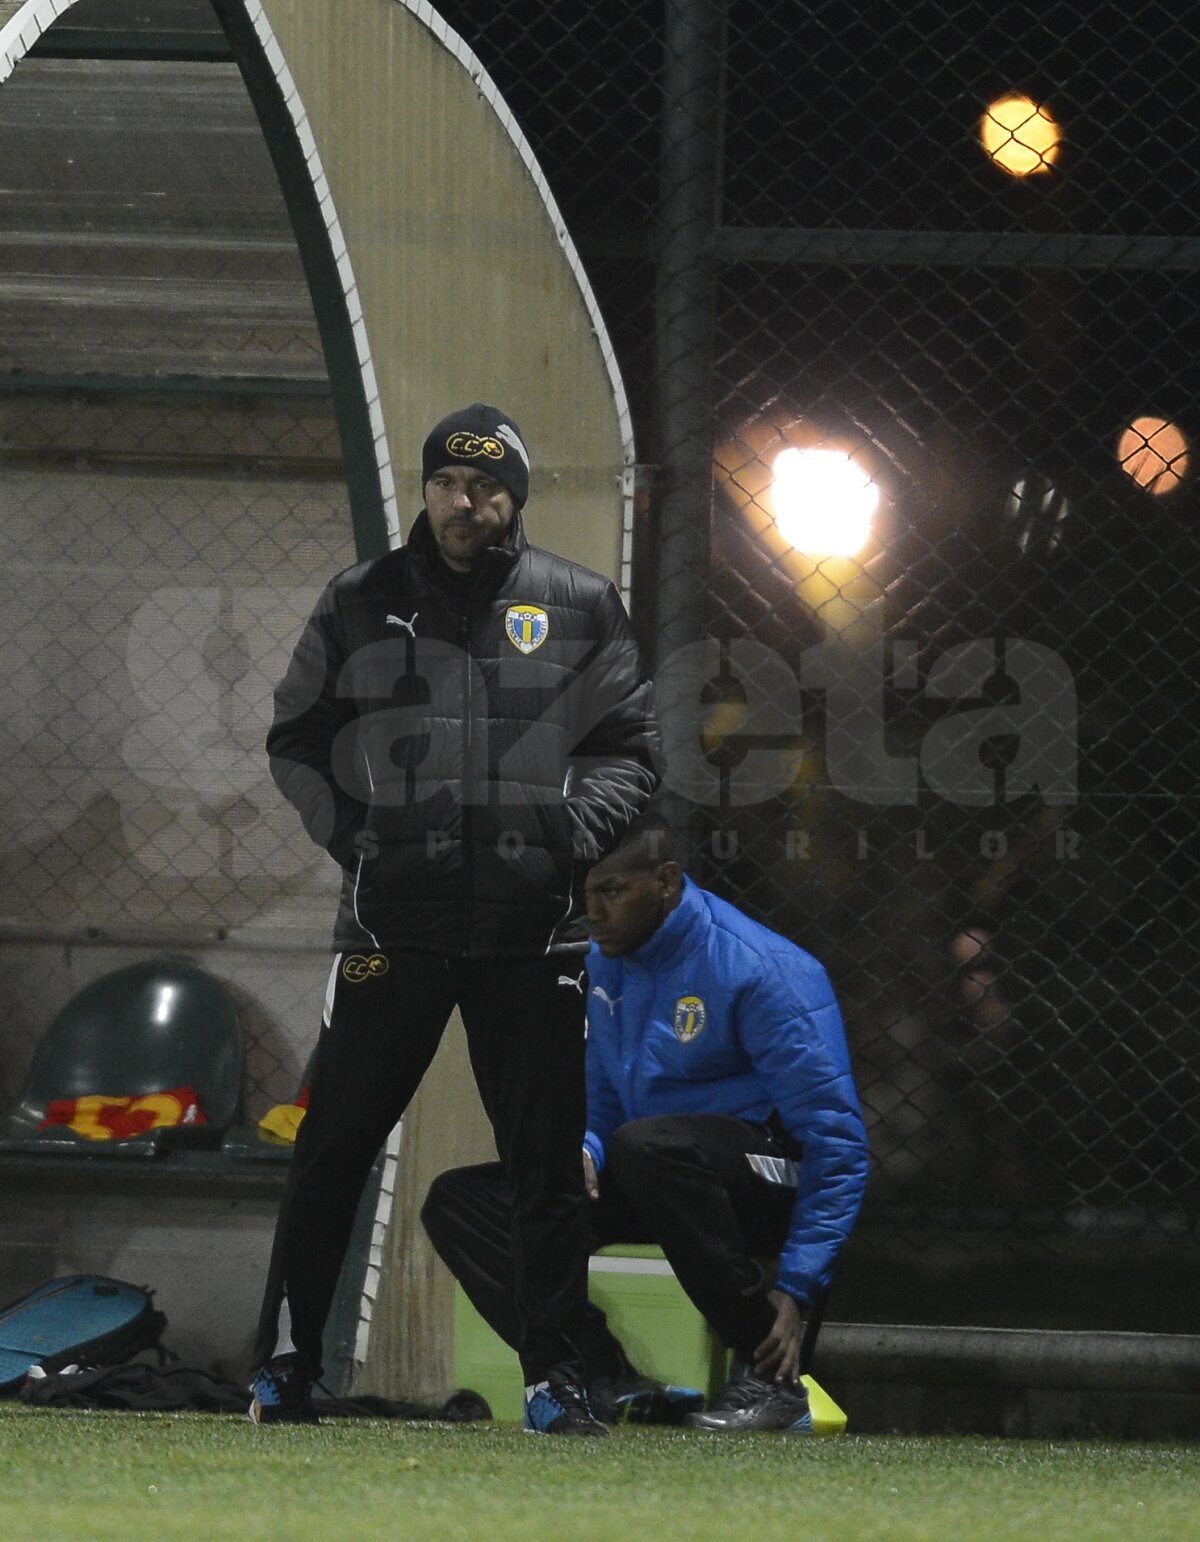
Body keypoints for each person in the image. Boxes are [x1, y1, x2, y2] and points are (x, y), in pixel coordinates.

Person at [250, 403, 660, 1436]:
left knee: (542, 1165)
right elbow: (298, 736)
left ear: (513, 496)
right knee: (333, 1149)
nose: (461, 503)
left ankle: (556, 1381)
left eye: (483, 487)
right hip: (395, 929)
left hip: (533, 937)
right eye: (444, 483)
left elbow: (633, 751)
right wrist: (357, 836)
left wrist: (567, 835)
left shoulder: (578, 603)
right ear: (425, 489)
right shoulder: (361, 599)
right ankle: (286, 1370)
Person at [423, 815, 869, 1431]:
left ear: (665, 881)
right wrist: (585, 1148)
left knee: (649, 1146)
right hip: (658, 1167)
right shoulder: (603, 961)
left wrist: (796, 1287)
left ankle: (773, 1380)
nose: (594, 912)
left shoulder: (760, 969)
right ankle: (602, 1379)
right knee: (462, 1200)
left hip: (769, 1176)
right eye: (583, 897)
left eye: (611, 891)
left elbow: (837, 1145)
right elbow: (605, 1097)